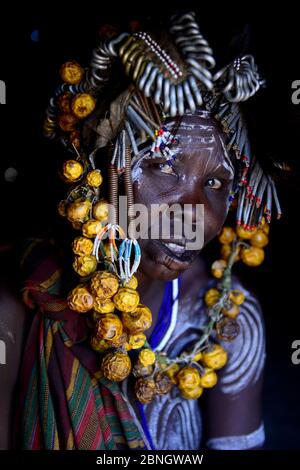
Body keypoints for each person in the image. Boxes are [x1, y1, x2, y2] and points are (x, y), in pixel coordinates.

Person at [3, 11, 282, 450]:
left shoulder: (227, 322)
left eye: (214, 183)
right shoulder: (19, 311)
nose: (196, 216)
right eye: (163, 167)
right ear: (99, 166)